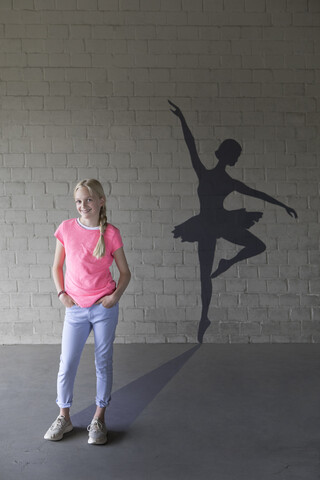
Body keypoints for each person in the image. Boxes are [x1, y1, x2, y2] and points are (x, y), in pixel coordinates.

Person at [169, 100, 297, 343]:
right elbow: (190, 144)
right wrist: (182, 119)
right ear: (227, 156)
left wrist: (284, 205)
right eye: (235, 155)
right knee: (205, 275)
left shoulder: (215, 178)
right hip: (210, 226)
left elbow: (257, 193)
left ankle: (228, 263)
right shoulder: (213, 177)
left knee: (255, 248)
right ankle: (204, 317)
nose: (235, 159)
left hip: (215, 224)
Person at [44, 179, 131, 445]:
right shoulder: (67, 229)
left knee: (102, 363)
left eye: (89, 200)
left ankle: (99, 418)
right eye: (79, 201)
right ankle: (64, 417)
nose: (84, 206)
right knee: (67, 363)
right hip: (76, 310)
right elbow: (56, 267)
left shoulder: (111, 233)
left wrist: (114, 297)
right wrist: (62, 294)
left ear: (101, 201)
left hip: (103, 309)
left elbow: (125, 273)